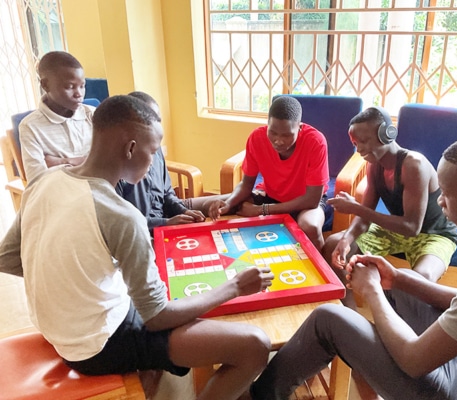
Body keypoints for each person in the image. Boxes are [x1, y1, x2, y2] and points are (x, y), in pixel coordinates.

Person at [0, 95, 275, 400]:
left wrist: (72, 284)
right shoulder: (121, 215)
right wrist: (235, 286)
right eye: (154, 151)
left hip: (58, 327)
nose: (154, 160)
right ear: (130, 148)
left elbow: (8, 258)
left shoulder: (44, 180)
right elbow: (157, 316)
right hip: (98, 345)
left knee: (175, 293)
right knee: (254, 343)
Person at [250, 129, 457, 400]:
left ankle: (260, 395)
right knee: (405, 285)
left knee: (328, 319)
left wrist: (372, 291)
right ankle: (370, 356)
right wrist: (398, 278)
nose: (440, 200)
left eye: (446, 193)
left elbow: (414, 361)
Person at [322, 106, 457, 307]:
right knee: (333, 244)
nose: (358, 149)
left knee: (421, 278)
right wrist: (346, 239)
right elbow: (364, 219)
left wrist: (356, 208)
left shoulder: (414, 164)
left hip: (434, 234)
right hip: (395, 231)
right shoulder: (374, 166)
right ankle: (349, 312)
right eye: (355, 143)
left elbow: (411, 228)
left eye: (364, 141)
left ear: (387, 134)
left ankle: (401, 329)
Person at [209, 95, 329, 250]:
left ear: (299, 128)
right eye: (273, 133)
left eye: (286, 135)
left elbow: (312, 199)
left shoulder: (316, 142)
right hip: (271, 195)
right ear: (267, 125)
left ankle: (323, 269)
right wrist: (229, 203)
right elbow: (246, 184)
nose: (278, 141)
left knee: (310, 226)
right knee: (215, 206)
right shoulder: (257, 138)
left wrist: (261, 210)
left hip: (306, 201)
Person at [116, 91, 216, 232]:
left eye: (158, 121)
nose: (157, 127)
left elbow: (167, 194)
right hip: (145, 232)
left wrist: (182, 211)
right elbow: (125, 224)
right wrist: (166, 223)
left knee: (230, 201)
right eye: (150, 122)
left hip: (167, 216)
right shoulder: (116, 170)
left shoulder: (156, 152)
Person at [19, 51, 94, 182]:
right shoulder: (30, 127)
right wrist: (83, 162)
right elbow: (37, 179)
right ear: (45, 85)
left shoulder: (93, 115)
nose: (79, 94)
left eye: (82, 86)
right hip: (61, 195)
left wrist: (61, 162)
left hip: (99, 189)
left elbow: (111, 162)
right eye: (70, 87)